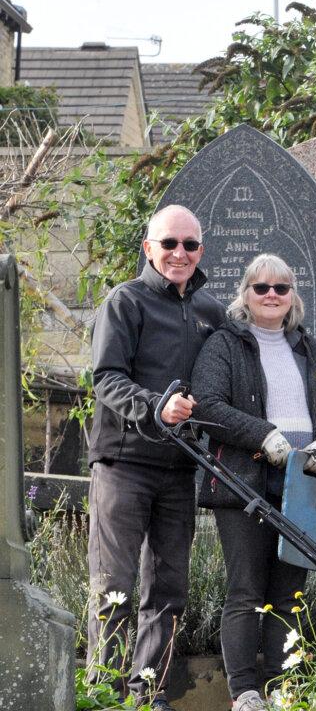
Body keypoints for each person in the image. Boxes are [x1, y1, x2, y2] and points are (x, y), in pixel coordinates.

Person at [86, 205, 225, 709]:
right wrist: (154, 406)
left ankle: (149, 694)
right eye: (169, 243)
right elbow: (105, 378)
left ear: (201, 251)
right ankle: (104, 693)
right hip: (124, 462)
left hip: (179, 466)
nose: (179, 253)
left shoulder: (211, 313)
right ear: (148, 247)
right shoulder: (125, 302)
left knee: (169, 589)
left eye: (189, 245)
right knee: (115, 586)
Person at [192, 254, 316, 711]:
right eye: (262, 288)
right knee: (246, 589)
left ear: (292, 296)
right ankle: (245, 693)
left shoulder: (307, 346)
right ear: (246, 294)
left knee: (288, 593)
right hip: (244, 483)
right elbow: (209, 406)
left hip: (301, 482)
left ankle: (282, 688)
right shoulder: (224, 344)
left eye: (282, 288)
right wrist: (265, 435)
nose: (272, 295)